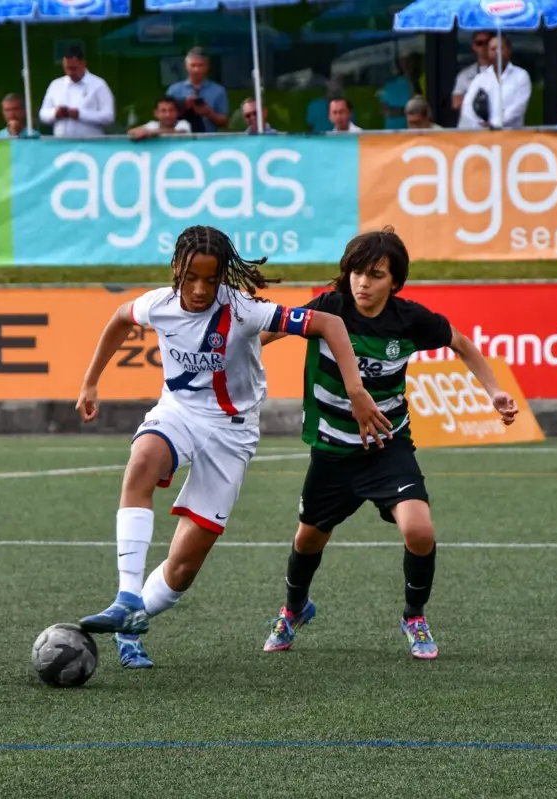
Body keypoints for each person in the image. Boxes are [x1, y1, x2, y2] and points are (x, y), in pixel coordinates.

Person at [75, 226, 388, 669]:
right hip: (178, 412)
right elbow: (121, 318)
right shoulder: (157, 305)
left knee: (183, 565)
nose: (200, 289)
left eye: (210, 278)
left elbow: (329, 323)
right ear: (176, 271)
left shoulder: (243, 311)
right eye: (190, 278)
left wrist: (357, 392)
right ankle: (126, 597)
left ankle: (132, 624)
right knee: (142, 461)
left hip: (232, 432)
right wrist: (91, 381)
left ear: (224, 275)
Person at [258, 228, 518, 660]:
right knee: (308, 541)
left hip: (387, 446)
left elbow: (461, 343)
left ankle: (414, 616)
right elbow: (268, 332)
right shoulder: (329, 307)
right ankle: (294, 609)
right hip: (331, 451)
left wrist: (493, 391)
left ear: (395, 282)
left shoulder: (409, 319)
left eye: (376, 275)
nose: (363, 283)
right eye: (358, 273)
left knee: (419, 530)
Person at [39, 45, 115, 138]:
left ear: (83, 64)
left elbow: (108, 116)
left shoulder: (98, 85)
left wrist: (80, 114)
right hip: (60, 144)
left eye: (74, 68)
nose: (70, 73)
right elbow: (43, 114)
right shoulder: (56, 85)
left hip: (90, 144)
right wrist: (55, 113)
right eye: (67, 68)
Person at [459, 36, 531, 129]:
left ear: (509, 51)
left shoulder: (521, 75)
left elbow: (518, 107)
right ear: (488, 53)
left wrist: (495, 124)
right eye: (493, 49)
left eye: (501, 48)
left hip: (511, 135)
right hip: (484, 135)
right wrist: (480, 123)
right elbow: (468, 105)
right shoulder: (480, 79)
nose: (497, 52)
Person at [166, 47, 229, 133]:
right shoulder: (174, 90)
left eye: (200, 65)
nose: (196, 70)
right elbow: (165, 120)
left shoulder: (218, 91)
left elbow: (225, 123)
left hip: (210, 140)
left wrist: (209, 113)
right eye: (193, 65)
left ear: (207, 67)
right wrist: (183, 107)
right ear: (186, 66)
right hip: (180, 141)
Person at [452, 32, 493, 113]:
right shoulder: (465, 75)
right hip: (472, 123)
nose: (484, 46)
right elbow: (456, 103)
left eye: (487, 42)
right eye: (480, 43)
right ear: (474, 47)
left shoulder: (504, 71)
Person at [128, 96, 192, 141]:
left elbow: (180, 133)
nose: (168, 115)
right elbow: (131, 132)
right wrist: (140, 133)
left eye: (171, 110)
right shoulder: (152, 125)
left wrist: (152, 133)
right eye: (163, 111)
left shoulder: (183, 124)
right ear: (156, 113)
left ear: (177, 112)